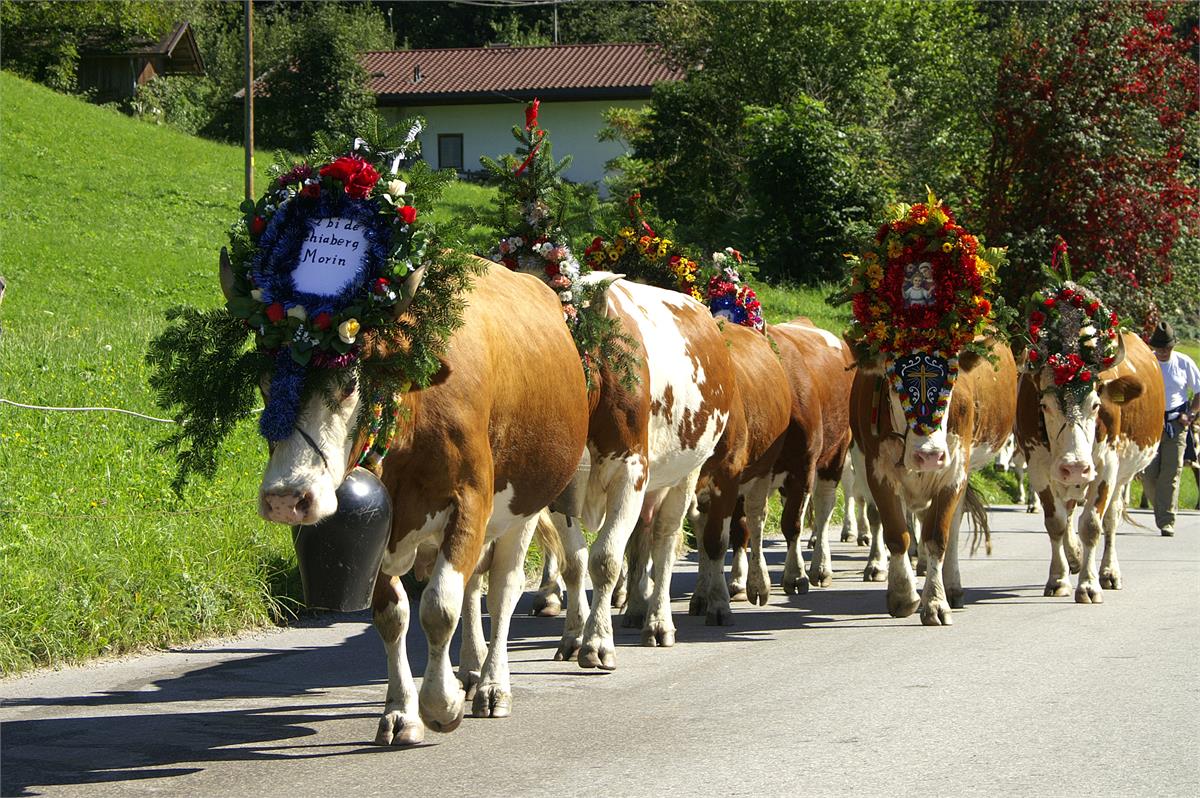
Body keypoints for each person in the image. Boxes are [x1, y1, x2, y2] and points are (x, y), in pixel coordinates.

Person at [1142, 321, 1200, 536]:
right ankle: (1162, 507)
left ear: (1173, 346)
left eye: (1167, 347)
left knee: (1171, 472)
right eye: (1159, 348)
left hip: (1177, 423)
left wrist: (1191, 414)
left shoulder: (1184, 363)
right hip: (1150, 423)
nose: (1163, 352)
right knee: (1148, 473)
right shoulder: (1147, 363)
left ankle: (1167, 520)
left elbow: (1199, 391)